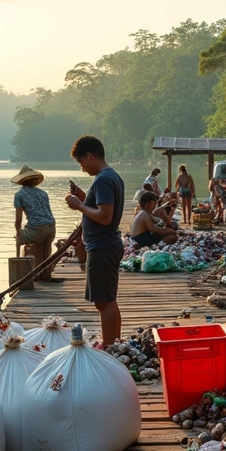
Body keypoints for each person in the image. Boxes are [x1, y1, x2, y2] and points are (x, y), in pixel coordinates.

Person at [65, 135, 126, 344]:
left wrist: (78, 205)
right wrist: (84, 198)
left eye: (81, 163)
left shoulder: (103, 179)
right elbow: (102, 209)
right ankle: (114, 344)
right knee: (108, 300)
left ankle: (110, 349)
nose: (82, 169)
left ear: (90, 157)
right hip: (106, 245)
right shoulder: (111, 176)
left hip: (102, 247)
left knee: (103, 302)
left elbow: (105, 216)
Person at [12, 165, 59, 283]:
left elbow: (18, 220)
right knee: (45, 248)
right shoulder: (43, 193)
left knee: (19, 237)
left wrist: (18, 231)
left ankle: (18, 271)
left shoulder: (19, 195)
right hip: (51, 227)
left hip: (38, 230)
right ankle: (45, 275)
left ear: (22, 181)